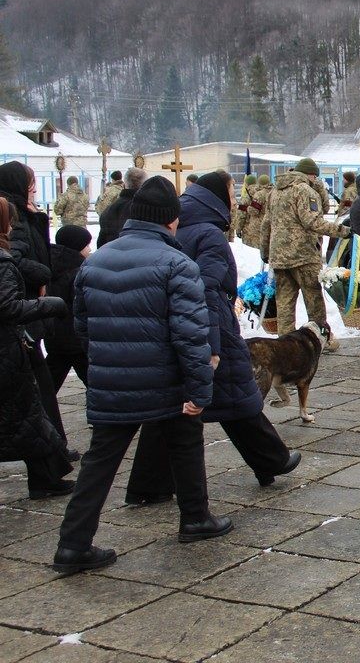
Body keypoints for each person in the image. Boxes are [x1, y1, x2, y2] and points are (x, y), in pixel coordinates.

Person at [54, 177, 231, 575]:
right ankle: (195, 517)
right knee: (186, 441)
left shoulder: (95, 261)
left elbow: (82, 326)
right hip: (165, 381)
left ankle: (72, 543)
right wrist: (200, 389)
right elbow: (190, 335)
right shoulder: (177, 264)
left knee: (99, 464)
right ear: (172, 221)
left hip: (112, 383)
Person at [126, 171, 301, 501]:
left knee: (171, 406)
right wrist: (213, 342)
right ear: (217, 198)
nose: (234, 199)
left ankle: (147, 486)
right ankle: (271, 460)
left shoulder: (178, 227)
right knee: (239, 396)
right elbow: (204, 290)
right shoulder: (209, 235)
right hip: (211, 326)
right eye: (231, 192)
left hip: (175, 328)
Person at [0, 197, 74, 501]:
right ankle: (45, 479)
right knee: (28, 415)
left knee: (28, 417)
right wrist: (48, 304)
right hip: (6, 351)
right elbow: (6, 306)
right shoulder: (3, 263)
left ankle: (46, 477)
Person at [260, 158, 351, 341]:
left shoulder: (275, 191)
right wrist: (343, 231)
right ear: (312, 175)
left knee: (285, 303)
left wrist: (266, 251)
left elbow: (266, 224)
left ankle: (285, 344)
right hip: (304, 255)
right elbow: (312, 221)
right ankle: (321, 338)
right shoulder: (305, 191)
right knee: (314, 301)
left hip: (279, 256)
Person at [45, 225, 92, 393]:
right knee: (96, 384)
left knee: (48, 386)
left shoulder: (50, 265)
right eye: (87, 245)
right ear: (77, 246)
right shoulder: (79, 271)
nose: (90, 249)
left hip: (54, 338)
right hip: (76, 340)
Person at [97, 167, 147, 247]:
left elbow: (101, 243)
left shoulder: (108, 211)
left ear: (124, 184)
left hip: (112, 256)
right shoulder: (151, 209)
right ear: (145, 184)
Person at [237, 174, 272, 251]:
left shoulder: (248, 196)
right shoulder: (272, 192)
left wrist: (238, 229)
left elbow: (242, 215)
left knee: (252, 253)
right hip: (269, 227)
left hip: (252, 230)